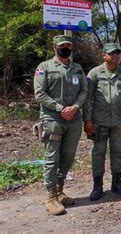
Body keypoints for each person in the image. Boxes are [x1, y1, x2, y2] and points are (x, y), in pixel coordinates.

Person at [34, 35, 88, 215]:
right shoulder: (44, 67)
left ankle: (59, 191)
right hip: (53, 120)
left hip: (73, 120)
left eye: (68, 45)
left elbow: (83, 91)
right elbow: (39, 94)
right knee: (52, 158)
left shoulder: (77, 68)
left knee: (68, 156)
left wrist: (75, 107)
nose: (65, 48)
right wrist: (60, 108)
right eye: (62, 45)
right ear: (54, 48)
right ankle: (50, 197)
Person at [83, 43, 121, 201]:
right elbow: (87, 98)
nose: (115, 56)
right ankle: (97, 186)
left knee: (118, 152)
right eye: (112, 53)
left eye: (117, 53)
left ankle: (116, 183)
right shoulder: (94, 73)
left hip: (119, 121)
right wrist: (87, 120)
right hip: (99, 121)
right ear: (104, 55)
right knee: (98, 153)